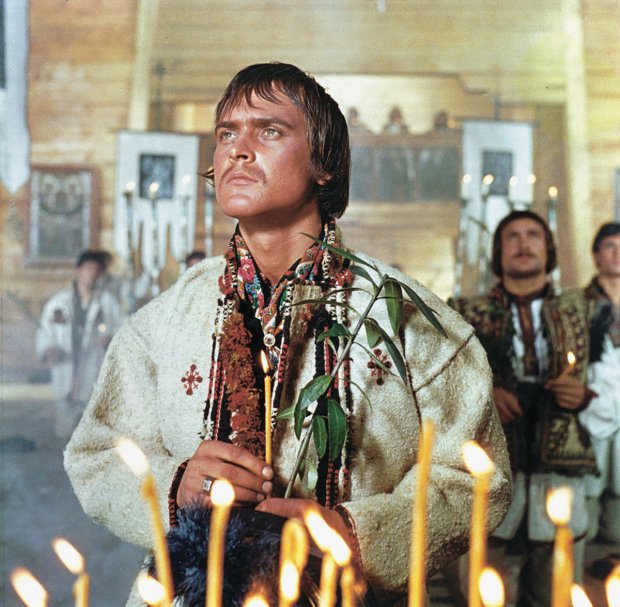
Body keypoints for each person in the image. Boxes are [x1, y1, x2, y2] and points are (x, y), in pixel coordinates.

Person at [65, 63, 511, 606]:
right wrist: (176, 486)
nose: (237, 150)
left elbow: (475, 478)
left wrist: (353, 533)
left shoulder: (412, 319)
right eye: (226, 133)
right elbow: (96, 453)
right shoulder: (163, 320)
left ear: (323, 163)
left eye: (269, 130)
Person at [451, 210, 598, 607]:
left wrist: (585, 396)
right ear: (498, 252)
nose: (523, 243)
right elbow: (446, 384)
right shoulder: (464, 312)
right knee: (488, 587)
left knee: (557, 590)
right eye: (512, 236)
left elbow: (609, 376)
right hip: (494, 469)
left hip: (560, 466)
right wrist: (487, 394)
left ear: (548, 248)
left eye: (533, 234)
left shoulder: (585, 310)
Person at [36, 250, 124, 439]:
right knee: (65, 433)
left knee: (93, 433)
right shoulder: (59, 303)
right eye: (88, 268)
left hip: (93, 370)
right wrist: (48, 349)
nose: (93, 273)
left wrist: (111, 339)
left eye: (97, 270)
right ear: (78, 271)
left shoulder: (107, 302)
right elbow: (45, 332)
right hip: (66, 369)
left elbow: (122, 330)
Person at [580, 223, 620, 551]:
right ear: (596, 255)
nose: (617, 254)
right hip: (591, 407)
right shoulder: (580, 303)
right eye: (610, 246)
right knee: (588, 490)